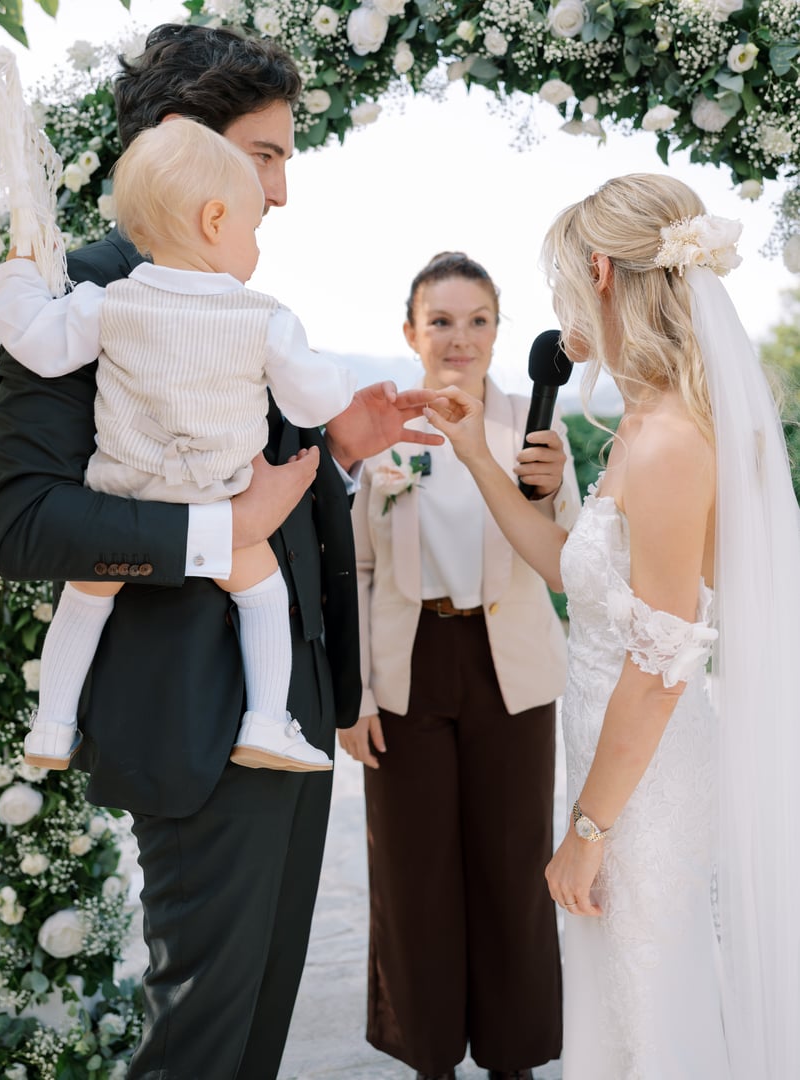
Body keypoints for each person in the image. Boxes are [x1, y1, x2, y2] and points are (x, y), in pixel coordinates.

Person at [0, 23, 442, 1079]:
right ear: (191, 145)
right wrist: (217, 534)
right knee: (199, 1045)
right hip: (189, 727)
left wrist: (334, 449)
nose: (282, 190)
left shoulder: (237, 295)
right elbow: (22, 524)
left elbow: (264, 488)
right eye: (267, 154)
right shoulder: (81, 294)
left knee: (251, 1045)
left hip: (284, 718)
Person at [424, 176, 800, 1079]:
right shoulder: (641, 421)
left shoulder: (673, 442)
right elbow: (571, 577)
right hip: (609, 758)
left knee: (649, 1007)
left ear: (599, 270)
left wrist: (586, 833)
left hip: (646, 781)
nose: (556, 308)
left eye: (558, 282)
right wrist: (478, 455)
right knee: (617, 1003)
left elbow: (661, 664)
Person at [0, 116, 357, 774]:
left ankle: (51, 725)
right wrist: (337, 383)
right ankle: (267, 722)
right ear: (216, 220)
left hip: (125, 489)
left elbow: (35, 343)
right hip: (218, 500)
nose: (256, 248)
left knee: (84, 599)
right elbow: (316, 401)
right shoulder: (264, 316)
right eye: (252, 229)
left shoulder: (108, 302)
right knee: (263, 596)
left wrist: (19, 270)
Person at [339, 251, 581, 1080]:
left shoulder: (533, 428)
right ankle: (429, 1058)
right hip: (410, 667)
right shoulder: (384, 435)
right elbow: (362, 572)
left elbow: (569, 561)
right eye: (440, 320)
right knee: (413, 876)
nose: (459, 337)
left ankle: (514, 1059)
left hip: (511, 666)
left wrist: (550, 494)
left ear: (498, 332)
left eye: (478, 320)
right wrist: (357, 694)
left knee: (512, 868)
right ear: (409, 332)